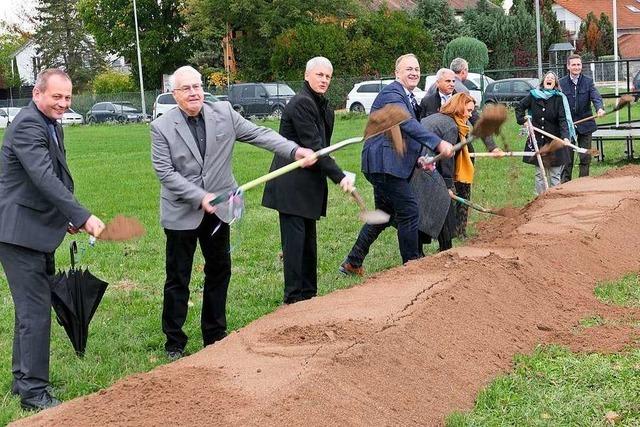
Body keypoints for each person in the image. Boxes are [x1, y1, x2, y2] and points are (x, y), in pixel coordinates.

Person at [151, 66, 315, 359]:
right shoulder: (162, 127)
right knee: (178, 277)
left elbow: (260, 134)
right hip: (181, 213)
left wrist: (294, 151)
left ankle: (214, 334)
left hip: (220, 210)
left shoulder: (224, 113)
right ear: (174, 94)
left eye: (197, 86)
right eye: (186, 89)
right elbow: (165, 173)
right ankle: (174, 341)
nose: (194, 93)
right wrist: (200, 196)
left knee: (219, 271)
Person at [0, 69, 105, 410]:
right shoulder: (29, 125)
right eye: (56, 97)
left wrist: (66, 219)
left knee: (32, 309)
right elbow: (44, 177)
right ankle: (34, 394)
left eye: (68, 98)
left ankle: (22, 380)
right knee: (34, 312)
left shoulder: (50, 123)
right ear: (37, 94)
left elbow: (52, 177)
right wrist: (82, 216)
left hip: (36, 229)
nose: (63, 103)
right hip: (18, 233)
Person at [339, 54, 454, 276]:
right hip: (385, 165)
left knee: (385, 213)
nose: (414, 72)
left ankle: (353, 262)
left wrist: (422, 158)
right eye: (408, 69)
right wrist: (438, 142)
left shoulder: (408, 96)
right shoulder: (392, 94)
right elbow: (405, 122)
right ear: (397, 73)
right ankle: (411, 266)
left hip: (388, 165)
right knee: (410, 211)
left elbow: (406, 134)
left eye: (417, 69)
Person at [262, 57, 354, 304]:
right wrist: (339, 176)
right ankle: (293, 299)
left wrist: (331, 164)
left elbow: (323, 147)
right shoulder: (301, 103)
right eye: (319, 75)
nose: (324, 80)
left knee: (308, 246)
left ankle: (309, 297)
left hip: (309, 185)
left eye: (327, 76)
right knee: (295, 247)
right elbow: (314, 147)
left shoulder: (324, 106)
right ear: (306, 76)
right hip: (291, 185)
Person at [419, 93, 477, 251]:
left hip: (418, 163)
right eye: (469, 111)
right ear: (459, 108)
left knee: (420, 210)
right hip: (425, 166)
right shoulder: (451, 126)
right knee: (444, 208)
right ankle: (446, 249)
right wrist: (448, 186)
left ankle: (420, 251)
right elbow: (447, 158)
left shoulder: (439, 117)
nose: (471, 115)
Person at [515, 71, 573, 195]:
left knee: (555, 174)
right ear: (543, 81)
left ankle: (554, 200)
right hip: (538, 141)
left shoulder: (558, 98)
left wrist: (566, 137)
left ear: (555, 84)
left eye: (552, 78)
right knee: (540, 174)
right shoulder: (533, 95)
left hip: (554, 142)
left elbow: (563, 120)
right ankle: (539, 201)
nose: (550, 79)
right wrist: (523, 120)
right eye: (548, 77)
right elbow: (520, 107)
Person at [559, 54, 605, 182]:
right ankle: (565, 185)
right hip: (568, 127)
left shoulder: (588, 81)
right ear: (568, 66)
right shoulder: (561, 83)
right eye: (573, 64)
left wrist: (599, 108)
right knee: (567, 158)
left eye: (578, 64)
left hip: (586, 125)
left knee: (585, 157)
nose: (576, 67)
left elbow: (596, 97)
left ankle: (583, 184)